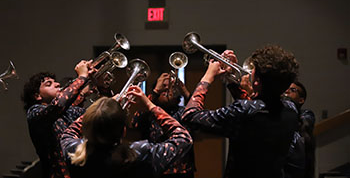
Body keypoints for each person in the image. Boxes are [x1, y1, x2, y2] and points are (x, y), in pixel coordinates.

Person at [182, 45, 300, 178]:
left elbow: (190, 116)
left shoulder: (245, 110)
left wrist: (208, 77)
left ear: (257, 82)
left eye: (254, 69)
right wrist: (230, 78)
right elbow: (253, 109)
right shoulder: (291, 109)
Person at [60, 85, 193, 178]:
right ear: (124, 130)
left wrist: (101, 108)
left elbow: (68, 133)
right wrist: (150, 105)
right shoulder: (140, 153)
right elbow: (184, 139)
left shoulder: (74, 151)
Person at [21, 60, 93, 178]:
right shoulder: (34, 112)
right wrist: (82, 77)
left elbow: (95, 116)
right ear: (37, 96)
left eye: (55, 82)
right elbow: (57, 106)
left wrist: (101, 87)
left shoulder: (68, 111)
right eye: (49, 84)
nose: (58, 84)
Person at [133, 72, 195, 178]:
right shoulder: (149, 113)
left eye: (170, 88)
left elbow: (198, 117)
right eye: (163, 87)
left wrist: (184, 90)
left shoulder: (182, 112)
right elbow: (136, 121)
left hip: (182, 170)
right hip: (155, 168)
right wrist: (156, 91)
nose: (166, 90)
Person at [283, 81, 316, 178]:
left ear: (301, 100)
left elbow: (298, 123)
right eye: (286, 88)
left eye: (292, 90)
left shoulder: (306, 114)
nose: (287, 91)